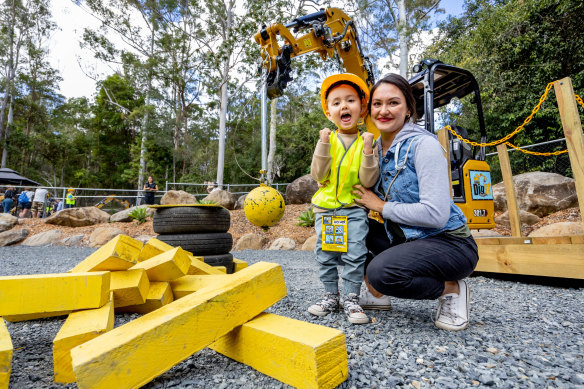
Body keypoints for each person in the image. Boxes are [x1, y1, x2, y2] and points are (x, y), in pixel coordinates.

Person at [352, 73, 479, 331]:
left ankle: (452, 289)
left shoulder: (423, 145)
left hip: (449, 242)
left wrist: (381, 206)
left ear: (409, 108)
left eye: (393, 103)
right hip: (408, 237)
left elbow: (436, 214)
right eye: (377, 104)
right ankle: (377, 295)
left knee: (382, 272)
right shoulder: (373, 148)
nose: (383, 111)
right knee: (346, 229)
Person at [308, 73, 380, 325]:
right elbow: (318, 174)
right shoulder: (327, 140)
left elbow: (368, 181)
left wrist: (369, 151)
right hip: (327, 209)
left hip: (354, 209)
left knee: (355, 253)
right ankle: (330, 295)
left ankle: (350, 298)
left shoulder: (365, 142)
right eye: (336, 102)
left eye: (350, 100)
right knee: (325, 253)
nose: (344, 106)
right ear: (329, 112)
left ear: (362, 111)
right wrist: (322, 144)